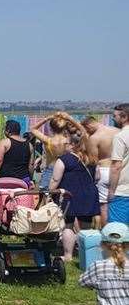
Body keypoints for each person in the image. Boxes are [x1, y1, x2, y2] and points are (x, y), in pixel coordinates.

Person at [49, 132, 100, 261]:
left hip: (70, 195)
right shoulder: (91, 158)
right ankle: (88, 255)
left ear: (72, 145)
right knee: (87, 225)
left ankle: (68, 255)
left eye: (66, 143)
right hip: (89, 194)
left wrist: (50, 192)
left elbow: (55, 179)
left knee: (68, 225)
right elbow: (97, 177)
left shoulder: (64, 159)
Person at [85, 116, 120, 225]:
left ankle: (107, 233)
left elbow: (93, 160)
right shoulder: (118, 131)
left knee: (104, 206)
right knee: (119, 202)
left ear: (89, 126)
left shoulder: (95, 138)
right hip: (119, 169)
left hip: (104, 170)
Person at [110, 104, 129, 225]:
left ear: (124, 117)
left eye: (115, 116)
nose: (113, 118)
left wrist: (111, 190)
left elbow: (116, 166)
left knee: (118, 232)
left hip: (123, 190)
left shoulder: (120, 137)